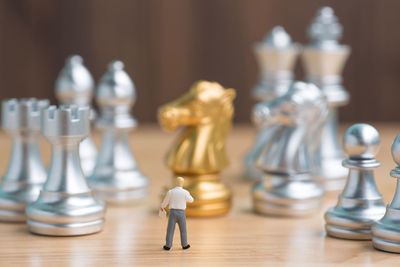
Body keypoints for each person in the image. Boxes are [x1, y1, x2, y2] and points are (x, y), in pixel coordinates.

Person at [160, 177, 194, 250]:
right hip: (181, 213)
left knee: (170, 229)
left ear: (176, 182)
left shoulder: (171, 192)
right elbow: (191, 200)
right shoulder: (185, 192)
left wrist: (162, 206)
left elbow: (166, 201)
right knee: (183, 230)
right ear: (182, 183)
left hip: (172, 212)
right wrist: (188, 194)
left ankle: (168, 245)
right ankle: (184, 244)